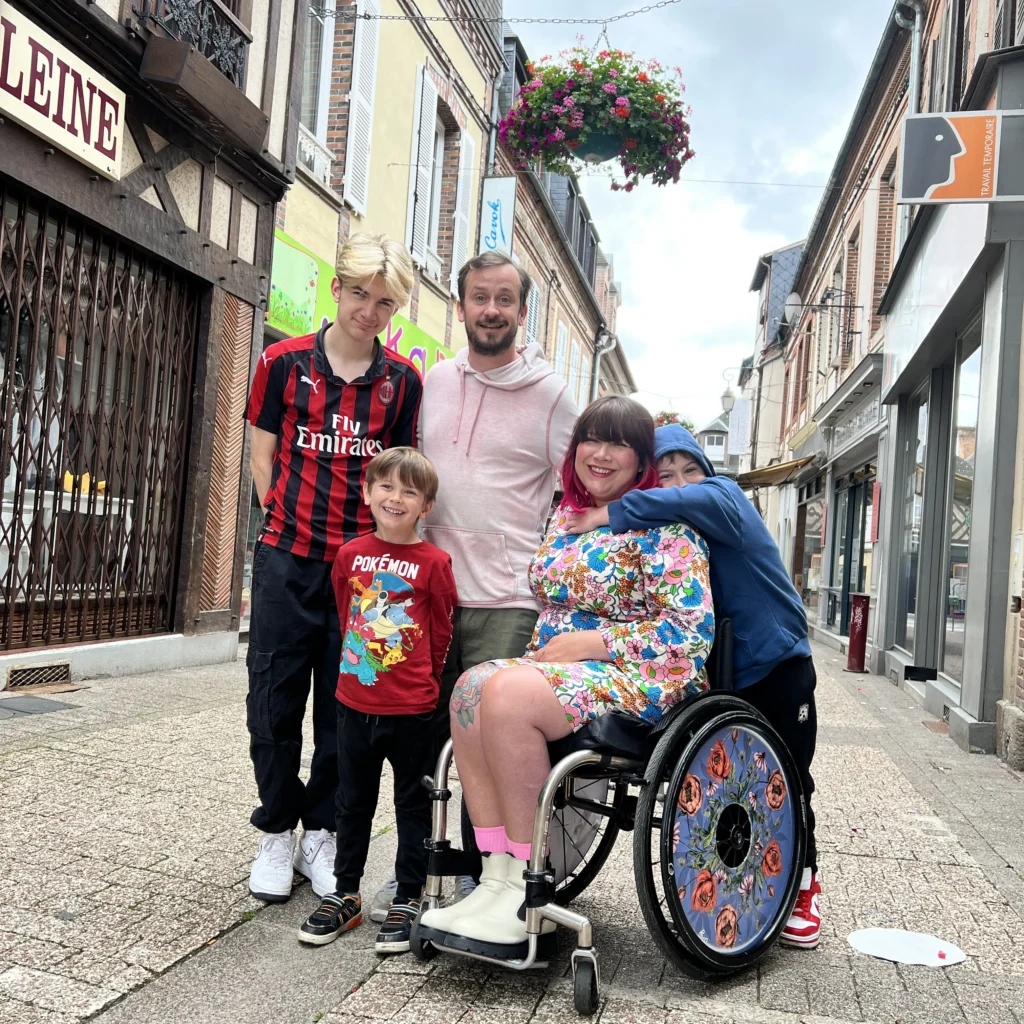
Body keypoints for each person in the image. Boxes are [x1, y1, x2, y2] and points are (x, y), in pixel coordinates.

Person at [416, 397, 714, 957]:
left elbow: (690, 635)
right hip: (563, 668)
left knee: (503, 698)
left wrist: (592, 643)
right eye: (590, 440)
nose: (600, 455)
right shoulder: (566, 517)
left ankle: (533, 885)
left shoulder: (668, 525)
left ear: (642, 458)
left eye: (619, 443)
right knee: (468, 690)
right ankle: (498, 876)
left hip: (640, 674)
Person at [365, 250, 577, 922]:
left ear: (521, 311)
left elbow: (582, 488)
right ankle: (429, 876)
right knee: (421, 745)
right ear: (460, 307)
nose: (491, 311)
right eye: (479, 298)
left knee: (489, 743)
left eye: (504, 300)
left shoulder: (552, 396)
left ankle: (503, 879)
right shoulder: (435, 382)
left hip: (508, 601)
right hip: (425, 593)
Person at [566, 422, 822, 949]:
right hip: (722, 674)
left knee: (790, 779)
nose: (680, 485)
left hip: (778, 664)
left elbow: (695, 497)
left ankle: (803, 886)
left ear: (707, 473)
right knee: (736, 786)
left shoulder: (724, 498)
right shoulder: (667, 529)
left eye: (690, 470)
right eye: (666, 476)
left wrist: (606, 513)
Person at [244, 233, 421, 904]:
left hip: (369, 575)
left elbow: (400, 478)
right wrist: (286, 519)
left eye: (384, 302)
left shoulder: (404, 383)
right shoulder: (283, 363)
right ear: (334, 287)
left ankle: (321, 831)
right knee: (273, 700)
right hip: (288, 559)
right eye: (358, 294)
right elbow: (262, 457)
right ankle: (276, 831)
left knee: (349, 709)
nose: (368, 311)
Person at [296, 447, 457, 953]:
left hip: (412, 711)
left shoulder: (434, 562)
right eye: (386, 486)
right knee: (352, 803)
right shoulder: (349, 555)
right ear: (367, 493)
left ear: (425, 507)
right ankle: (346, 894)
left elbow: (442, 630)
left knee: (412, 805)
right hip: (354, 702)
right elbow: (347, 617)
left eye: (411, 491)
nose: (396, 498)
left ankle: (409, 896)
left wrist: (424, 683)